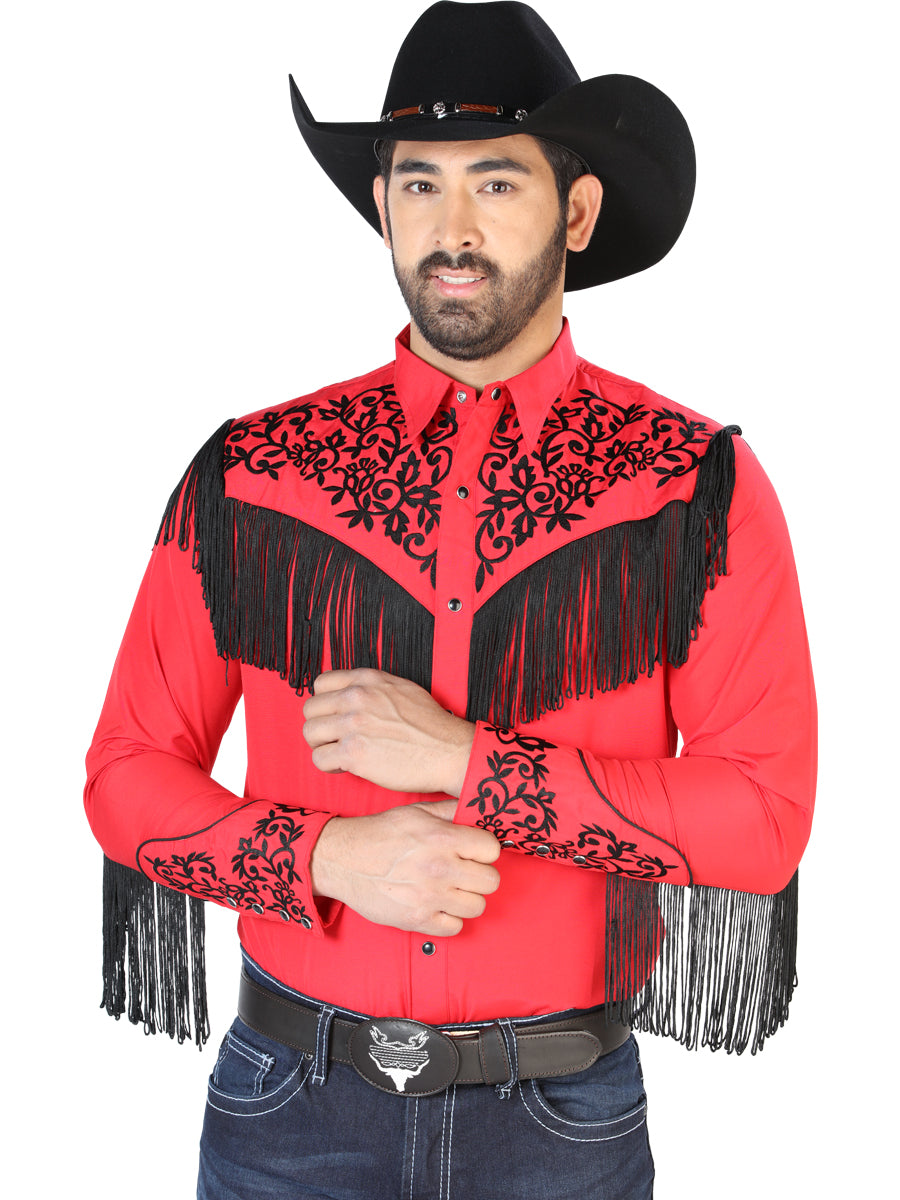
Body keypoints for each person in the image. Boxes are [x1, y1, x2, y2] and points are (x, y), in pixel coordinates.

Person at [84, 3, 816, 1197]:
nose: (452, 228)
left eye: (497, 183)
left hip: (560, 1125)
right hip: (288, 1109)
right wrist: (325, 858)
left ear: (577, 212)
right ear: (382, 206)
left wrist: (470, 765)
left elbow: (763, 818)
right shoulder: (254, 475)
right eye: (420, 184)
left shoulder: (690, 488)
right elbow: (123, 778)